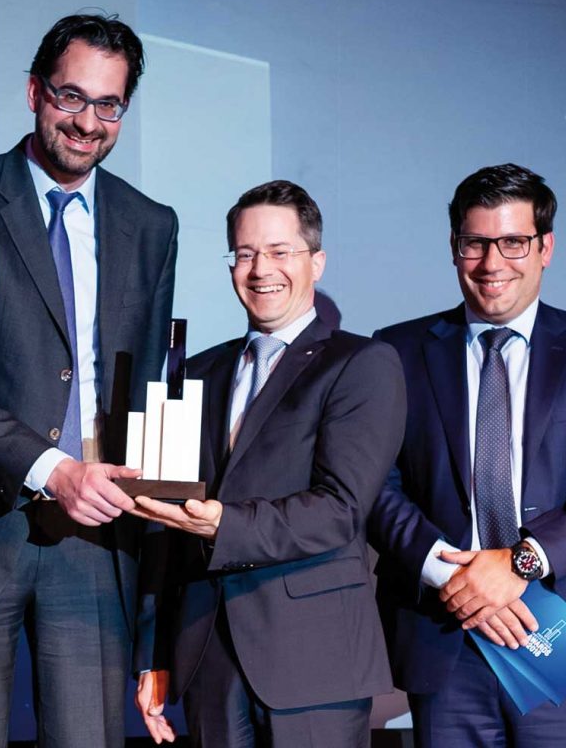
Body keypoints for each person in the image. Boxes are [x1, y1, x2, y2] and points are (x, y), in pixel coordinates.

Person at [0, 13, 179, 748]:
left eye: (108, 104)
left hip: (97, 537)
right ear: (34, 92)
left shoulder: (152, 225)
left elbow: (146, 384)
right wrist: (54, 471)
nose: (87, 122)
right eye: (71, 97)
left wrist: (156, 503)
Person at [368, 163, 566, 747]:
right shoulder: (396, 350)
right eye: (475, 243)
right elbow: (375, 482)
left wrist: (519, 563)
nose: (492, 262)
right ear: (454, 247)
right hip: (448, 636)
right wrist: (456, 576)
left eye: (513, 242)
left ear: (545, 247)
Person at [132, 180, 405, 747]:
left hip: (315, 658)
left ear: (316, 262)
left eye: (280, 251)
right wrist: (152, 653)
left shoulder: (361, 363)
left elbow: (340, 510)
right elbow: (164, 519)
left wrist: (224, 524)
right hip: (206, 652)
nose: (261, 270)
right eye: (245, 253)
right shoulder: (198, 372)